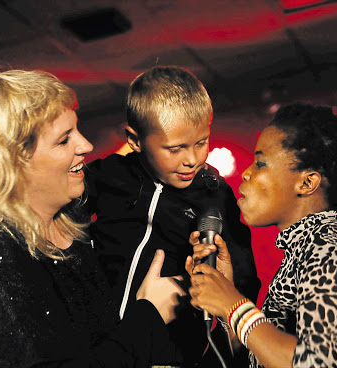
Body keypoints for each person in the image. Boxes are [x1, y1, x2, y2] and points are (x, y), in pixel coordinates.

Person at [0, 69, 186, 367]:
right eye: (64, 141)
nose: (86, 145)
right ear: (12, 164)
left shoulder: (74, 226)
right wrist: (148, 316)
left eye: (77, 130)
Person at [186, 103, 337, 367]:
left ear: (307, 183)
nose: (247, 172)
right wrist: (225, 295)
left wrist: (234, 305)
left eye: (261, 162)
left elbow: (317, 363)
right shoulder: (308, 250)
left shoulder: (335, 251)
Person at [83, 65, 261, 366]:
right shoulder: (110, 174)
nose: (192, 159)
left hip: (171, 354)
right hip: (101, 345)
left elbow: (243, 281)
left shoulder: (214, 193)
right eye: (175, 149)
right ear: (135, 140)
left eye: (201, 142)